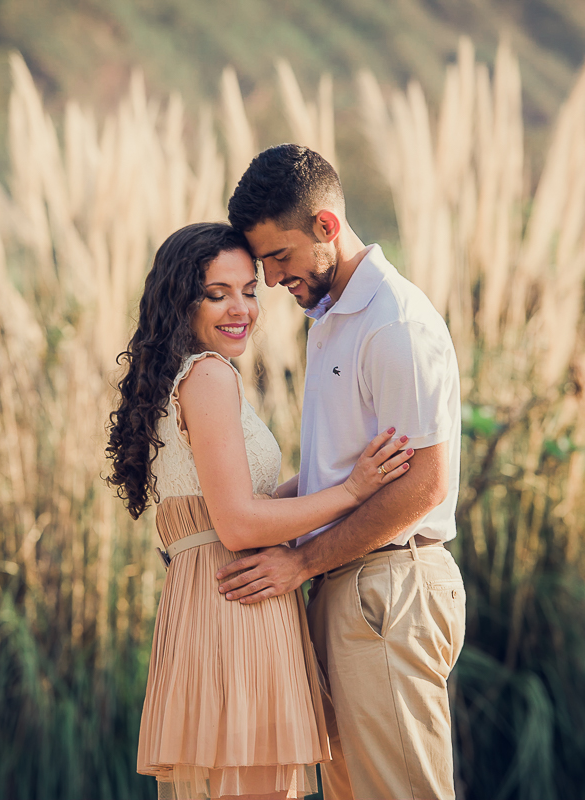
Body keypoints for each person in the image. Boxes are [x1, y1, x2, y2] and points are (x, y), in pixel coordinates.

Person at [107, 221, 415, 800]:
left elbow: (229, 506)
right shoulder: (210, 376)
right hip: (238, 603)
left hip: (209, 598)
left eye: (249, 290)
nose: (241, 309)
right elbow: (239, 523)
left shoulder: (179, 380)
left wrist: (336, 479)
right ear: (181, 300)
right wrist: (351, 492)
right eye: (217, 293)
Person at [218, 144, 466, 800]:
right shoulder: (332, 319)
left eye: (280, 257)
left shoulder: (394, 326)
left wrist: (300, 564)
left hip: (389, 586)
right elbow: (340, 473)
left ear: (326, 227)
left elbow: (424, 484)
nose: (272, 280)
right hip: (349, 588)